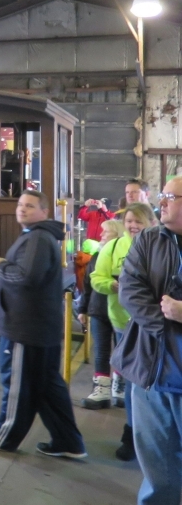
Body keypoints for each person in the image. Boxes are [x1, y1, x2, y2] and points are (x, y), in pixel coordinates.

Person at [0, 190, 86, 458]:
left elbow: (26, 277)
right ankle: (68, 441)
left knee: (18, 385)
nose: (22, 209)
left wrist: (0, 266)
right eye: (20, 204)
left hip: (25, 329)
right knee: (47, 387)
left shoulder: (38, 239)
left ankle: (1, 437)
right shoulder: (38, 236)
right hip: (39, 328)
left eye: (30, 206)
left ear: (44, 212)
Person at [112, 178, 182, 504]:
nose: (162, 202)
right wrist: (166, 327)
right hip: (152, 372)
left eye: (171, 196)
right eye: (162, 195)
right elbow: (130, 289)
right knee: (157, 467)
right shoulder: (149, 240)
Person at [92, 203, 156, 461]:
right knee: (131, 382)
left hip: (153, 326)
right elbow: (96, 279)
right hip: (123, 325)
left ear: (151, 223)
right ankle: (131, 435)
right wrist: (112, 285)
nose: (133, 225)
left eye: (138, 221)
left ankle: (152, 435)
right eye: (129, 221)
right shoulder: (112, 248)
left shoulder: (162, 247)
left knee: (151, 383)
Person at [78, 220, 126, 412]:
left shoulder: (126, 255)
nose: (101, 235)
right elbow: (87, 284)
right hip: (99, 310)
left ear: (117, 234)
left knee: (122, 350)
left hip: (122, 312)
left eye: (106, 232)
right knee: (101, 351)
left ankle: (119, 387)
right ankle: (102, 390)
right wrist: (82, 309)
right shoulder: (97, 256)